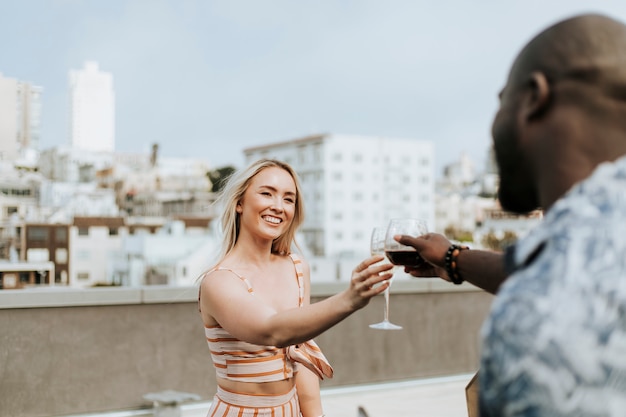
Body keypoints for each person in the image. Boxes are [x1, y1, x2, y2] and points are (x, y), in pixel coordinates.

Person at [395, 12, 626, 417]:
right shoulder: (597, 239)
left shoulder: (538, 317)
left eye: (502, 102)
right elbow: (554, 264)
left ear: (535, 97)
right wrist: (454, 258)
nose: (493, 126)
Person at [198, 158, 392, 417]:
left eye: (288, 199)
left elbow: (301, 351)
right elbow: (272, 331)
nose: (278, 206)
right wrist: (350, 299)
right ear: (239, 203)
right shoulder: (218, 281)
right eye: (267, 193)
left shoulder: (297, 267)